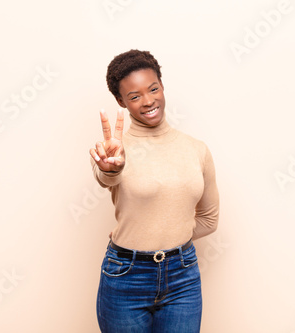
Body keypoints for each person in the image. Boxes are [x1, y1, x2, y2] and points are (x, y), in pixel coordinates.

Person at [89, 49, 220, 333]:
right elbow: (106, 176)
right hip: (126, 277)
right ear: (120, 101)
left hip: (182, 276)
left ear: (162, 86)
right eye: (135, 96)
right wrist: (112, 168)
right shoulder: (113, 150)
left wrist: (160, 232)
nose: (148, 101)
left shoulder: (197, 150)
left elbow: (209, 220)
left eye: (153, 89)